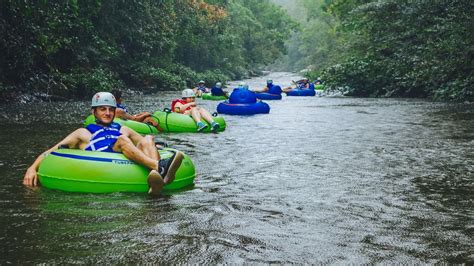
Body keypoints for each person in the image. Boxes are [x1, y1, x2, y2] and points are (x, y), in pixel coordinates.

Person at [23, 92, 183, 196]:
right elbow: (51, 151)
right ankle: (160, 167)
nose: (107, 113)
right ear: (94, 112)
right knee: (122, 140)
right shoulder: (82, 133)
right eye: (102, 109)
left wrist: (161, 149)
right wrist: (32, 167)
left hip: (128, 156)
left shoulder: (123, 128)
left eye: (110, 110)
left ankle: (158, 178)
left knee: (148, 138)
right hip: (107, 159)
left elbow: (146, 144)